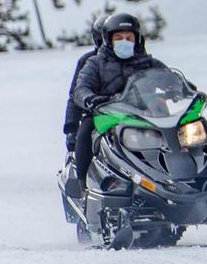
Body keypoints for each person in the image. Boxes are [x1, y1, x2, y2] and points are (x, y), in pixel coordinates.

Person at [71, 13, 166, 188]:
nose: (124, 41)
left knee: (183, 135)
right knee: (85, 131)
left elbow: (168, 78)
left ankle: (193, 178)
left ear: (137, 39)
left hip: (145, 114)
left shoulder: (148, 63)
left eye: (129, 37)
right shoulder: (95, 63)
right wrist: (90, 99)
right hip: (106, 114)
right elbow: (80, 88)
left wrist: (184, 89)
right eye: (119, 38)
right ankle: (82, 183)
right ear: (109, 40)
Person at [62, 15, 107, 153]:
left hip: (136, 112)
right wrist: (71, 127)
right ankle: (80, 173)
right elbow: (76, 94)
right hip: (99, 112)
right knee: (85, 132)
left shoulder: (140, 60)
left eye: (127, 38)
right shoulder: (89, 61)